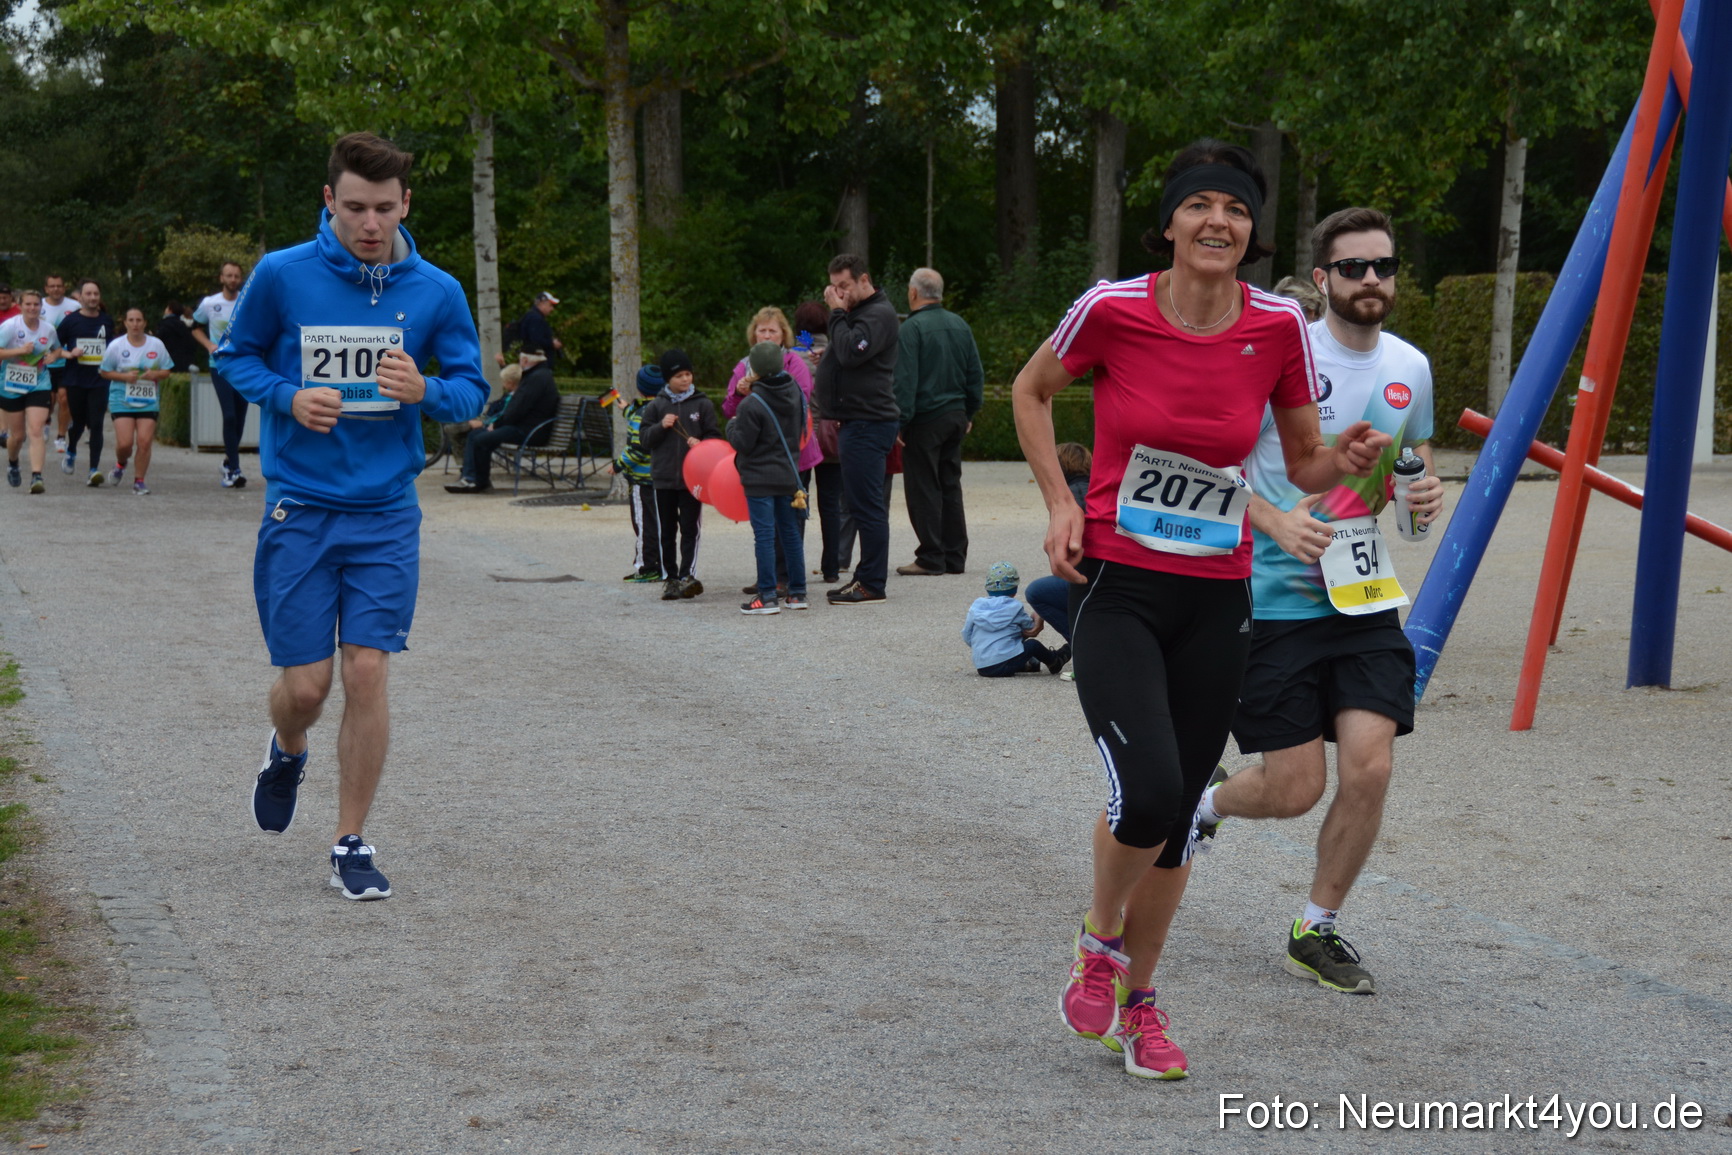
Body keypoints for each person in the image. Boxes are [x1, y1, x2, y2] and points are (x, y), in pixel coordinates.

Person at [1013, 139, 1390, 1081]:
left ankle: (1139, 1004)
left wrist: (1343, 459)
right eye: (1199, 205)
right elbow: (1031, 391)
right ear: (1171, 224)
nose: (1218, 220)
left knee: (1179, 812)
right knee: (1145, 792)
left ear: (1252, 234)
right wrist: (1060, 502)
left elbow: (1300, 459)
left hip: (1220, 596)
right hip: (1119, 585)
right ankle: (1099, 940)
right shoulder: (1112, 308)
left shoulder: (1278, 324)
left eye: (1236, 208)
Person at [219, 131, 488, 901]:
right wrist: (286, 397)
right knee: (306, 687)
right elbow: (235, 357)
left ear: (405, 204)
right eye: (355, 207)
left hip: (385, 513)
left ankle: (350, 840)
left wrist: (426, 392)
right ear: (329, 201)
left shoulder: (436, 290)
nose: (370, 223)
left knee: (367, 669)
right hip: (302, 507)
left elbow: (472, 391)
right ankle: (287, 747)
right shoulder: (282, 274)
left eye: (384, 208)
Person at [1194, 206, 1443, 995]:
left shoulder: (1411, 367)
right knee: (1294, 788)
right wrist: (1273, 518)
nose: (1371, 279)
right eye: (1354, 267)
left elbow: (1408, 483)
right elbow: (1208, 467)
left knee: (1371, 766)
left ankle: (1316, 927)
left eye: (1383, 266)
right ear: (1323, 277)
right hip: (1272, 600)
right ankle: (1207, 806)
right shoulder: (1281, 357)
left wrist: (1419, 496)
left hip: (1364, 598)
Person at [814, 254, 900, 605]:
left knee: (867, 507)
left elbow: (851, 352)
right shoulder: (859, 313)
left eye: (845, 286)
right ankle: (864, 577)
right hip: (856, 420)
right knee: (859, 504)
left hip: (868, 422)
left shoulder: (878, 314)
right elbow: (849, 354)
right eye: (834, 287)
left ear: (865, 280)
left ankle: (872, 583)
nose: (839, 293)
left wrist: (835, 313)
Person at [894, 267, 984, 577]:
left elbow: (905, 380)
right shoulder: (960, 324)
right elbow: (975, 374)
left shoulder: (911, 328)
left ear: (913, 293)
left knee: (923, 487)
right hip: (955, 415)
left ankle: (931, 556)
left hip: (925, 418)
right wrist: (969, 412)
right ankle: (954, 556)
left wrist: (900, 421)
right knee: (950, 485)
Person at [724, 306, 818, 598]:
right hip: (784, 461)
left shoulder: (794, 365)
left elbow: (741, 431)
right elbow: (729, 405)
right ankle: (795, 590)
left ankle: (772, 587)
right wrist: (739, 393)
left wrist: (746, 403)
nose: (766, 335)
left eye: (772, 331)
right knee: (786, 529)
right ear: (754, 334)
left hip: (785, 459)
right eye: (762, 330)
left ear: (783, 335)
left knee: (772, 531)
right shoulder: (747, 369)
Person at [638, 347, 720, 601]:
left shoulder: (703, 404)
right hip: (663, 478)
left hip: (693, 481)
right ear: (667, 379)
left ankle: (687, 575)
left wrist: (702, 444)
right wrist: (661, 426)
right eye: (678, 376)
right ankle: (670, 578)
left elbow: (715, 437)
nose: (685, 379)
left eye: (688, 374)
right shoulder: (656, 405)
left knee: (689, 529)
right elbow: (644, 439)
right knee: (666, 530)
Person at [450, 345, 559, 492]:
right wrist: (497, 424)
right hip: (525, 428)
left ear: (525, 360)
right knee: (475, 435)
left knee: (481, 439)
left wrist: (496, 425)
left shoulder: (536, 379)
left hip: (530, 432)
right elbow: (516, 408)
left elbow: (518, 409)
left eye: (520, 360)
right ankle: (469, 478)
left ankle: (478, 482)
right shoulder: (537, 376)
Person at [1022, 442, 1091, 657]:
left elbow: (1069, 558)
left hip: (1090, 580)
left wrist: (1042, 611)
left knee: (1036, 592)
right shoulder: (1097, 492)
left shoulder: (1067, 502)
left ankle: (1085, 648)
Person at [98, 307, 173, 495]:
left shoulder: (156, 345)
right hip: (121, 399)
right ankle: (121, 463)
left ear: (145, 323)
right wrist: (124, 377)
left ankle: (139, 481)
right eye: (131, 320)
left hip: (148, 400)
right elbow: (104, 371)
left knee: (144, 442)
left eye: (139, 320)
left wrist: (155, 374)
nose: (135, 324)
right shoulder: (116, 346)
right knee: (125, 444)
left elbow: (167, 371)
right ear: (125, 323)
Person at [0, 289, 66, 495]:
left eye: (36, 304)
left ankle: (37, 476)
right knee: (17, 436)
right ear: (20, 306)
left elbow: (57, 348)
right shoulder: (10, 326)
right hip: (11, 384)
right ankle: (13, 462)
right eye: (28, 304)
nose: (32, 308)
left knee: (36, 430)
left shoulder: (48, 329)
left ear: (41, 307)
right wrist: (19, 351)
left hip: (39, 383)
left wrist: (54, 356)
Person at [193, 261, 252, 488]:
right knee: (229, 416)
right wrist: (209, 344)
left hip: (244, 366)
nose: (233, 279)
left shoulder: (246, 301)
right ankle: (234, 470)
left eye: (236, 276)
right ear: (221, 278)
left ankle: (228, 461)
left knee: (240, 417)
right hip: (220, 366)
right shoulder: (210, 303)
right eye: (229, 275)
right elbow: (194, 327)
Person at [55, 279, 115, 486]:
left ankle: (93, 470)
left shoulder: (107, 321)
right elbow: (55, 347)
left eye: (95, 294)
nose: (92, 297)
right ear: (80, 297)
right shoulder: (71, 321)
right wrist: (70, 353)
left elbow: (112, 348)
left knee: (96, 424)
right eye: (88, 294)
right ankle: (71, 450)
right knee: (79, 423)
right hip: (76, 380)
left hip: (99, 380)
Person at [962, 562, 1066, 676]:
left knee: (1012, 645)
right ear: (1015, 589)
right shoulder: (1014, 607)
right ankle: (1055, 661)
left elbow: (967, 635)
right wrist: (1035, 617)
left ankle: (1028, 664)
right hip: (1003, 664)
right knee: (1033, 645)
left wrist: (983, 649)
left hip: (982, 666)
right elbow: (1030, 628)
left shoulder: (976, 607)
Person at [614, 363, 664, 582]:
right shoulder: (662, 409)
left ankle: (646, 567)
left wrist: (618, 464)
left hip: (642, 480)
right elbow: (641, 418)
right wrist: (626, 408)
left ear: (640, 388)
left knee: (644, 525)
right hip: (660, 478)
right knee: (659, 523)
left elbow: (637, 448)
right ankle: (662, 565)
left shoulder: (640, 415)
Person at [41, 275, 78, 453]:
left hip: (66, 362)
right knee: (48, 400)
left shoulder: (74, 306)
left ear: (64, 288)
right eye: (52, 286)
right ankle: (46, 421)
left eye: (59, 286)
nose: (56, 289)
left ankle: (61, 437)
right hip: (44, 362)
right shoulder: (38, 306)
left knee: (64, 398)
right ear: (46, 289)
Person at [498, 291, 563, 365]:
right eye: (550, 305)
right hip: (535, 363)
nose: (552, 309)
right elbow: (536, 340)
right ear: (542, 303)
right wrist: (552, 343)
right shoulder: (535, 319)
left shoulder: (532, 316)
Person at [156, 300, 202, 379]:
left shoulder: (164, 325)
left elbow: (157, 343)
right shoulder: (184, 326)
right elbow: (192, 344)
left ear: (170, 310)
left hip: (167, 363)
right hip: (184, 364)